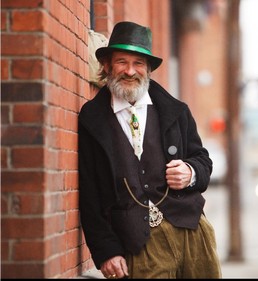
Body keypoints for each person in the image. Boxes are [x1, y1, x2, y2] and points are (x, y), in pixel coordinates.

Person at [78, 21, 222, 279]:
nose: (130, 71)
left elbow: (203, 161)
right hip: (139, 242)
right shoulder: (92, 119)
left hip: (192, 232)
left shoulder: (176, 111)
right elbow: (90, 193)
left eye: (138, 63)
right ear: (107, 65)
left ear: (148, 69)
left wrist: (190, 172)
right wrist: (106, 250)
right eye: (122, 62)